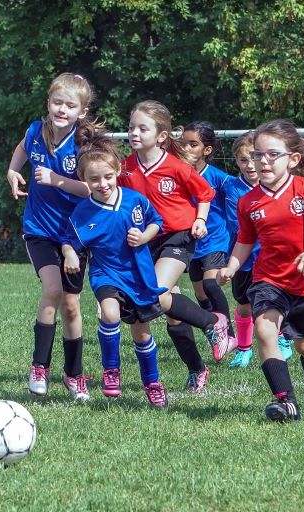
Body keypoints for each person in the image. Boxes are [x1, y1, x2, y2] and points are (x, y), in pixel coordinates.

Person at [217, 119, 304, 421]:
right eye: (257, 154)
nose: (263, 160)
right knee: (264, 326)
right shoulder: (248, 201)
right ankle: (286, 401)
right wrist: (232, 266)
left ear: (292, 159)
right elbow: (245, 239)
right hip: (268, 278)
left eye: (272, 154)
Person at [118, 100, 233, 393]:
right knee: (170, 309)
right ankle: (197, 369)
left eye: (143, 128)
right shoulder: (126, 168)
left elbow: (204, 193)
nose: (134, 133)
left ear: (161, 135)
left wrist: (200, 220)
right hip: (147, 240)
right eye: (132, 127)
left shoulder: (176, 166)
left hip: (179, 235)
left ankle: (212, 324)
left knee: (156, 291)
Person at [6, 72, 98, 401]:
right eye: (57, 102)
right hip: (40, 230)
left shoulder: (84, 144)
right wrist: (14, 169)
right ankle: (39, 368)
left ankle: (74, 376)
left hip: (74, 232)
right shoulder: (36, 131)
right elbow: (21, 148)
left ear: (81, 111)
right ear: (48, 103)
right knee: (53, 289)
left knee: (72, 306)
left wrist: (57, 180)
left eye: (69, 105)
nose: (61, 109)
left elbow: (92, 189)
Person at [61, 136, 169, 407]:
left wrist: (144, 236)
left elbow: (157, 222)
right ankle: (111, 370)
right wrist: (70, 253)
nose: (103, 184)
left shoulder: (135, 201)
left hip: (139, 276)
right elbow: (67, 240)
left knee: (141, 334)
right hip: (105, 273)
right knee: (109, 313)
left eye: (108, 176)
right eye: (94, 179)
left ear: (118, 171)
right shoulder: (83, 212)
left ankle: (152, 383)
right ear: (83, 179)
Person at [224, 132, 294, 368]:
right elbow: (239, 225)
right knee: (244, 305)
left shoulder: (277, 186)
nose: (249, 165)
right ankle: (244, 350)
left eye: (251, 158)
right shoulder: (234, 188)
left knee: (275, 301)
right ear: (236, 162)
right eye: (242, 160)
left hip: (270, 258)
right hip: (243, 258)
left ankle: (282, 339)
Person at [181, 122, 236, 340]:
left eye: (193, 144)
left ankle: (229, 336)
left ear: (207, 150)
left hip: (216, 238)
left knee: (210, 285)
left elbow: (241, 189)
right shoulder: (177, 174)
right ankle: (214, 329)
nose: (186, 149)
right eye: (183, 144)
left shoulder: (218, 177)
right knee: (200, 293)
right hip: (192, 242)